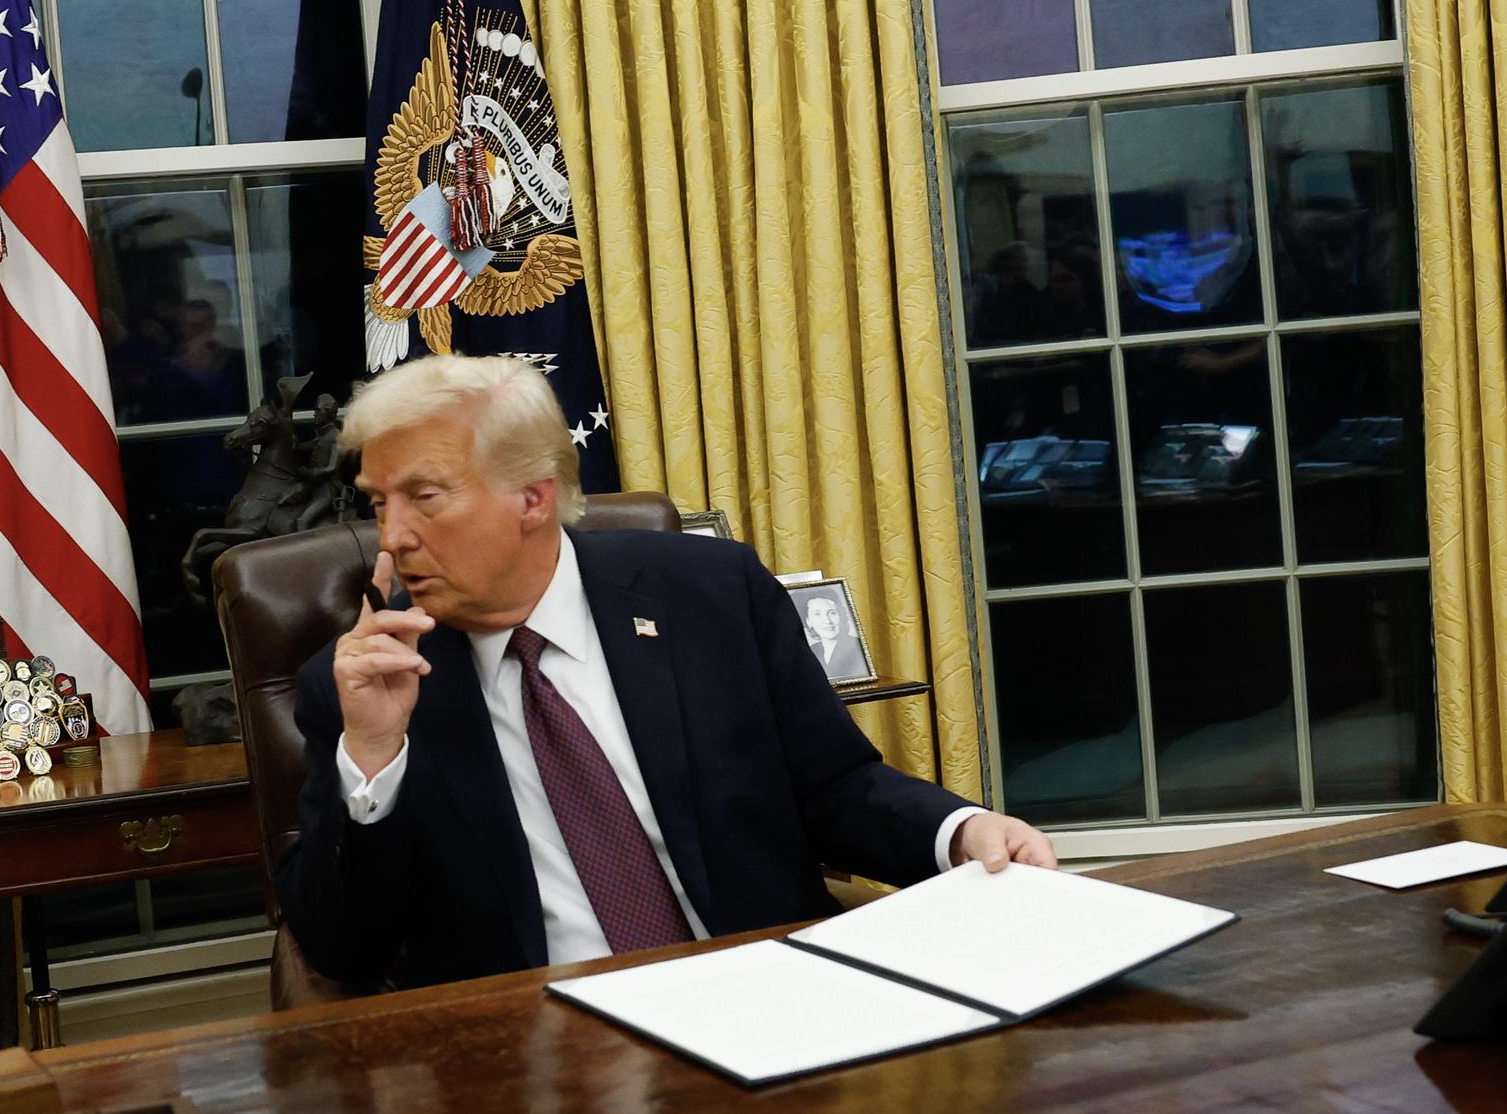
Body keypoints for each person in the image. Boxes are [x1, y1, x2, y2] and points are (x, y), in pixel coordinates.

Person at [279, 353, 1055, 990]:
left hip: (769, 995)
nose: (394, 538)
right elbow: (344, 953)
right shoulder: (364, 687)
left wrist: (962, 832)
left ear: (533, 498)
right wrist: (372, 762)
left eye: (425, 497)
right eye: (380, 503)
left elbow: (834, 789)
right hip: (536, 1058)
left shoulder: (709, 595)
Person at [802, 593, 868, 681]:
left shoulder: (857, 647)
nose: (827, 621)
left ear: (840, 616)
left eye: (832, 613)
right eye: (817, 614)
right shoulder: (810, 651)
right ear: (808, 621)